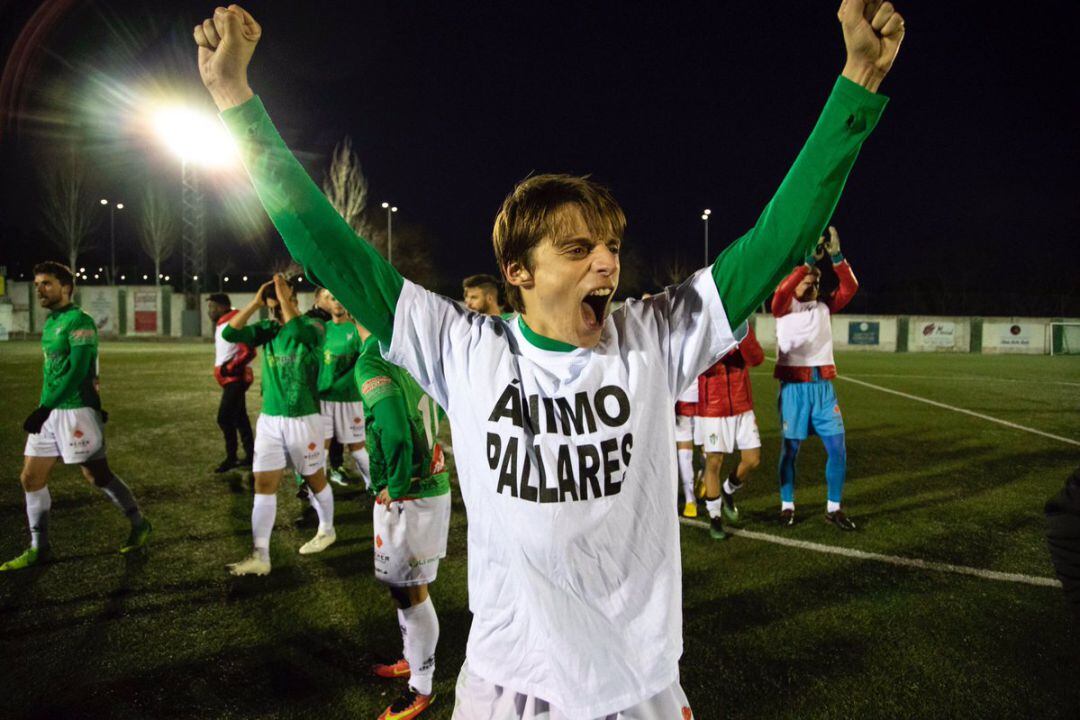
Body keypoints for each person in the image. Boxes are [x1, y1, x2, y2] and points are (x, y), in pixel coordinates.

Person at [194, 1, 903, 715]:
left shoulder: (654, 337)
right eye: (577, 249)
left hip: (639, 686)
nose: (606, 264)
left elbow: (778, 238)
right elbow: (331, 250)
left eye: (612, 248)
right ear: (518, 271)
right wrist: (235, 101)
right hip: (511, 684)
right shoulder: (463, 348)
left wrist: (858, 80)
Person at [2, 261, 151, 571]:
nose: (39, 289)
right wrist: (46, 407)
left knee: (97, 476)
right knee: (30, 478)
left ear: (65, 287)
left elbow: (79, 369)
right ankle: (39, 547)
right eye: (37, 284)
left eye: (46, 284)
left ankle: (139, 523)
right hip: (50, 412)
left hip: (74, 412)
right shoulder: (52, 321)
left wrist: (50, 408)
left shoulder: (79, 320)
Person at [354, 320, 452, 720]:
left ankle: (421, 688)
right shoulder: (409, 350)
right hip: (426, 482)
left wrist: (395, 485)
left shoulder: (373, 360)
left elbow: (393, 433)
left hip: (410, 491)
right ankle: (412, 658)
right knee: (403, 588)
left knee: (412, 592)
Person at [221, 273, 335, 575]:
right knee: (263, 485)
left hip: (304, 418)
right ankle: (261, 554)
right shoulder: (267, 330)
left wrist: (285, 299)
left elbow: (302, 336)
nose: (276, 308)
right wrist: (256, 302)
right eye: (272, 304)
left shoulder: (314, 325)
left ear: (294, 301)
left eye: (283, 301)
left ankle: (327, 528)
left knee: (314, 478)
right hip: (271, 419)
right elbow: (229, 335)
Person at [772, 226, 859, 530]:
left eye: (816, 280)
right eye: (807, 279)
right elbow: (782, 292)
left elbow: (849, 288)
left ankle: (834, 508)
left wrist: (836, 257)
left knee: (838, 449)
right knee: (790, 450)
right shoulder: (783, 308)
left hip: (824, 390)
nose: (812, 282)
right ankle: (787, 506)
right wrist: (807, 262)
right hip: (794, 390)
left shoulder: (823, 306)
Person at [695, 325, 765, 540]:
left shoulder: (741, 325)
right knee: (714, 462)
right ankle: (715, 517)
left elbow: (756, 359)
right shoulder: (702, 327)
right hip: (713, 407)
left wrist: (742, 333)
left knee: (752, 459)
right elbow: (697, 366)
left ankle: (728, 489)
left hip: (742, 404)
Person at [319, 291, 371, 489]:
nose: (337, 303)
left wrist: (343, 383)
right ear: (328, 303)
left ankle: (373, 485)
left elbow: (363, 362)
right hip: (324, 398)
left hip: (349, 400)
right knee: (321, 449)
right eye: (333, 299)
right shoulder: (323, 329)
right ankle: (318, 490)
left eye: (340, 298)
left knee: (356, 449)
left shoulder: (357, 330)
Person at [207, 292, 256, 472]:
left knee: (224, 418)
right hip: (230, 379)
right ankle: (251, 456)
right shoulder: (223, 323)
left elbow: (249, 350)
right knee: (239, 417)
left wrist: (231, 367)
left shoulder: (233, 321)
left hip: (235, 379)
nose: (209, 311)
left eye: (212, 307)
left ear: (222, 307)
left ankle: (231, 457)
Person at [675, 384, 700, 519]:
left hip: (707, 396)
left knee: (709, 448)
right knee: (685, 449)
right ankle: (690, 500)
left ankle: (691, 500)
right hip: (685, 397)